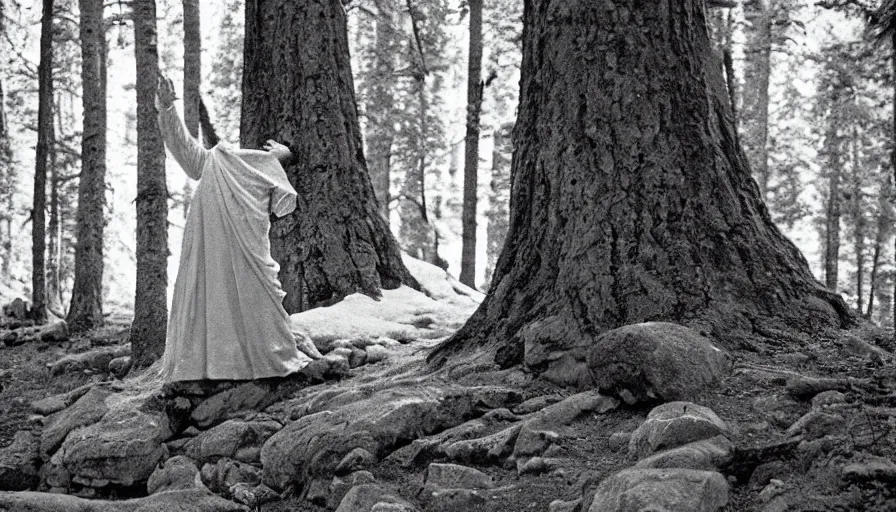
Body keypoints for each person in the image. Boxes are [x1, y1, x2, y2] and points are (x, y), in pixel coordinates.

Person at [155, 75, 312, 382]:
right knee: (218, 295)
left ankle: (258, 360)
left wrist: (287, 155)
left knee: (257, 295)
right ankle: (223, 365)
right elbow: (188, 154)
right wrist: (168, 108)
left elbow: (190, 156)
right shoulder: (219, 163)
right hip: (219, 244)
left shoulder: (254, 169)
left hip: (250, 244)